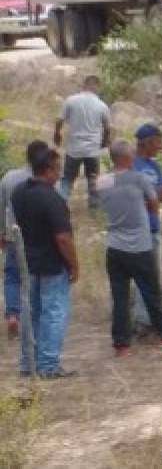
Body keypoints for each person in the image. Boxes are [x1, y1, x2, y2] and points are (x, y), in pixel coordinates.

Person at [97, 140, 162, 356]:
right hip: (139, 247)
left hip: (114, 247)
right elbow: (154, 205)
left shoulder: (102, 182)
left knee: (120, 297)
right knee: (152, 292)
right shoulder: (140, 179)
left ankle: (121, 344)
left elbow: (102, 203)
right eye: (131, 155)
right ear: (126, 158)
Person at [10, 145, 79, 378]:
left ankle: (28, 362)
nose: (60, 174)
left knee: (31, 313)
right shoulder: (53, 198)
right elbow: (63, 238)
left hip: (27, 262)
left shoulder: (18, 192)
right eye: (58, 169)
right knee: (54, 313)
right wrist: (74, 265)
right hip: (51, 265)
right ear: (48, 170)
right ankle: (48, 365)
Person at [1, 140, 50, 341]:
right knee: (32, 277)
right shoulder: (44, 178)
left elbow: (1, 206)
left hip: (13, 234)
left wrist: (1, 232)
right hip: (37, 237)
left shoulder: (9, 177)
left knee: (12, 275)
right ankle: (32, 318)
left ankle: (13, 314)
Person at [131, 124, 162, 334]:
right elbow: (135, 196)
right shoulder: (132, 166)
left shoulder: (154, 167)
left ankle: (148, 318)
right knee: (144, 275)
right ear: (146, 142)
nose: (161, 146)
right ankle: (142, 321)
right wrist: (153, 195)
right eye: (158, 141)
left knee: (153, 274)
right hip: (139, 228)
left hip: (154, 227)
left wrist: (152, 195)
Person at [53, 75, 112, 209]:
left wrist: (57, 134)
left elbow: (59, 120)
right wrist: (104, 142)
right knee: (93, 179)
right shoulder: (102, 106)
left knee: (67, 179)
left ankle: (60, 205)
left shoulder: (71, 101)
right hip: (92, 150)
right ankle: (94, 207)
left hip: (74, 149)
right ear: (97, 87)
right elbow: (108, 128)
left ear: (84, 85)